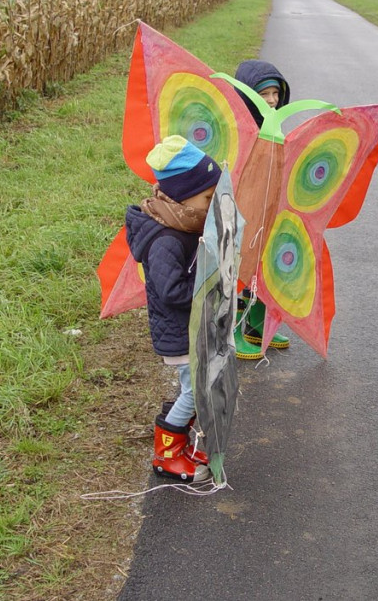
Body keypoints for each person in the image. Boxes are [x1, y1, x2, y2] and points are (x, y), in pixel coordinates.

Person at [125, 134, 221, 482]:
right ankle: (165, 454)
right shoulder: (166, 239)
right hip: (178, 331)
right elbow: (170, 291)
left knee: (198, 388)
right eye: (208, 198)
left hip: (189, 326)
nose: (213, 204)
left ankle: (181, 444)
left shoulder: (185, 223)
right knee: (194, 392)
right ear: (184, 195)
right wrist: (209, 289)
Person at [230, 59, 294, 359]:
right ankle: (231, 331)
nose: (271, 100)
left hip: (268, 207)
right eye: (263, 93)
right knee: (238, 266)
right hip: (241, 209)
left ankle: (256, 326)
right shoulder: (237, 127)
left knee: (264, 263)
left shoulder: (274, 125)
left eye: (275, 93)